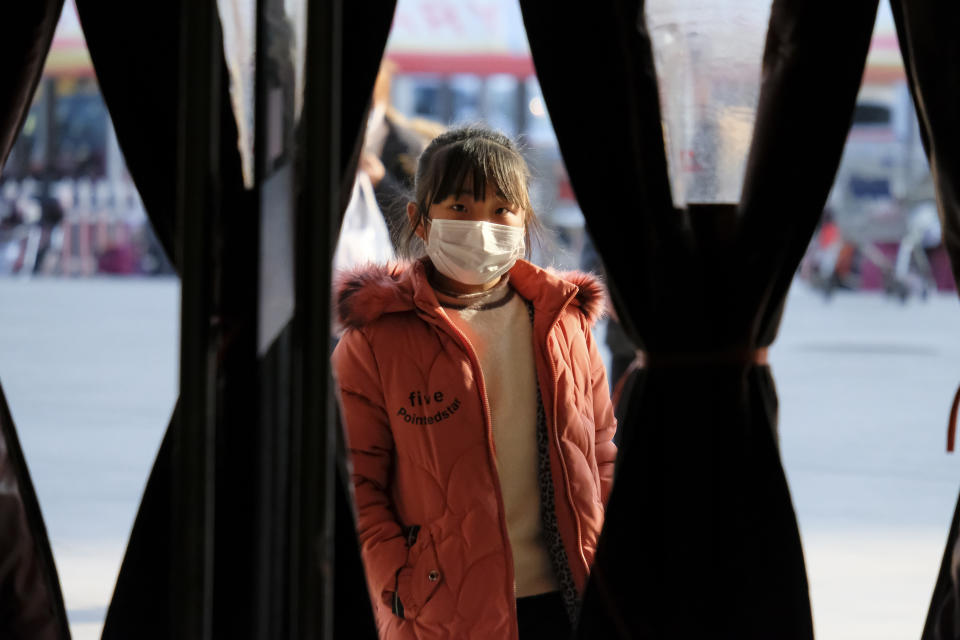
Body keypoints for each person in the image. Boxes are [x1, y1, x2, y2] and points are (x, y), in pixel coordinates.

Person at [331, 126, 617, 640]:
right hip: (442, 614)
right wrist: (402, 583)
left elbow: (600, 454)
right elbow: (355, 483)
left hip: (570, 602)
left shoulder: (564, 323)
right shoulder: (376, 339)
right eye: (460, 207)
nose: (482, 226)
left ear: (523, 220)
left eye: (501, 210)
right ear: (420, 220)